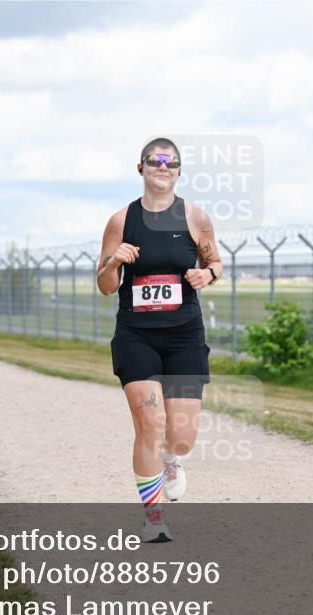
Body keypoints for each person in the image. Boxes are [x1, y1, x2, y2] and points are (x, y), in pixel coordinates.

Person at [96, 138, 224, 543]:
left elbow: (215, 260)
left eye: (171, 162)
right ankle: (152, 518)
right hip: (136, 335)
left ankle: (172, 459)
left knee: (181, 436)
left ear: (179, 171)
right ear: (141, 168)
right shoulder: (121, 221)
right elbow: (104, 285)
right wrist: (114, 261)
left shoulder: (196, 218)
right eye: (155, 160)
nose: (162, 167)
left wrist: (209, 275)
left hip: (184, 334)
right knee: (150, 423)